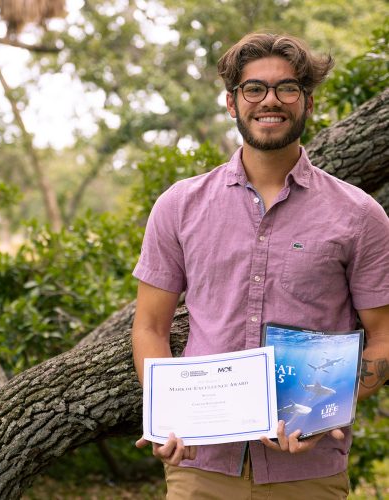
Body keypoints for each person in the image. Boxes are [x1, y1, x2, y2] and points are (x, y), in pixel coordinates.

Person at [131, 32, 389, 499]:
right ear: (232, 103)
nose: (270, 101)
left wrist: (324, 413)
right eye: (254, 89)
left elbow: (385, 335)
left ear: (307, 103)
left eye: (286, 88)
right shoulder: (178, 206)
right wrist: (165, 414)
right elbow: (149, 327)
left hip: (307, 472)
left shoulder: (360, 216)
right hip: (201, 466)